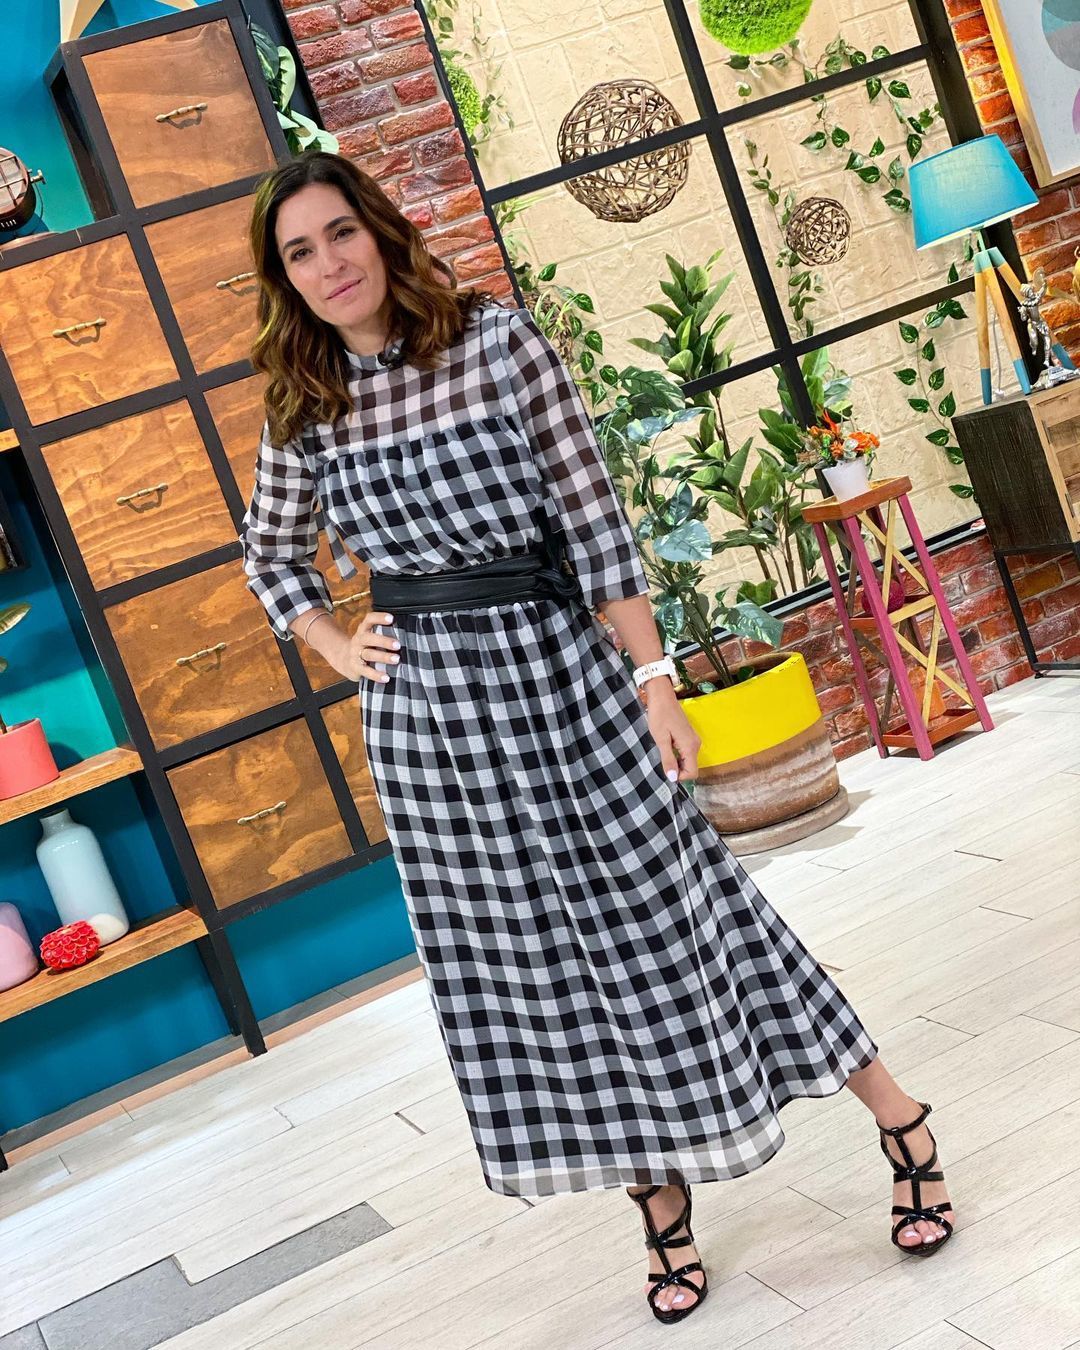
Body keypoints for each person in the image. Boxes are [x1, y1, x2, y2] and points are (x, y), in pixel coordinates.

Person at [239, 150, 955, 1325]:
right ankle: (659, 1208)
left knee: (690, 910)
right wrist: (330, 641)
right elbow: (270, 556)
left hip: (563, 676)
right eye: (299, 253)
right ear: (285, 280)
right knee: (541, 966)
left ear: (379, 229)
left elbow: (592, 520)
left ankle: (900, 1117)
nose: (329, 266)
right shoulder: (303, 404)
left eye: (340, 234)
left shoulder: (495, 344)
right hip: (431, 731)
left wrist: (656, 679)